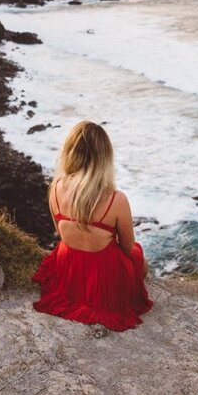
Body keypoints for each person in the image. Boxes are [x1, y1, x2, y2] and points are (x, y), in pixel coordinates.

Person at [32, 120, 153, 331]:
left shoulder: (56, 187)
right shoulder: (116, 200)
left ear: (70, 152)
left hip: (68, 266)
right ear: (104, 158)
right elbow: (126, 246)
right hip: (103, 277)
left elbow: (59, 230)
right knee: (138, 254)